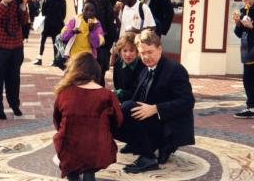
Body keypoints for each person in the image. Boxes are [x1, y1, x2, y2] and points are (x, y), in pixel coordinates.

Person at [114, 29, 195, 173]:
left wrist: (155, 108)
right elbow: (137, 99)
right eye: (142, 53)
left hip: (169, 124)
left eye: (150, 52)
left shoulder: (174, 69)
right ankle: (139, 143)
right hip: (152, 120)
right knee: (113, 117)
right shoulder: (146, 70)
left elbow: (188, 102)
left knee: (127, 107)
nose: (146, 57)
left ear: (159, 49)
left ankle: (149, 156)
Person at [53, 52, 123, 181]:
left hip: (69, 146)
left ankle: (73, 176)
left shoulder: (64, 92)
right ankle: (89, 174)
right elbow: (118, 121)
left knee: (72, 163)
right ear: (96, 71)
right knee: (90, 162)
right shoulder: (107, 95)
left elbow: (57, 121)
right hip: (97, 147)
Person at [94, 0, 118, 86]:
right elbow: (101, 20)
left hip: (105, 41)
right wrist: (105, 37)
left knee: (102, 70)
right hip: (102, 42)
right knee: (100, 70)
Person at [33, 0, 66, 66]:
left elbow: (43, 12)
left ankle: (39, 58)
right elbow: (64, 14)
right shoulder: (62, 0)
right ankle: (56, 60)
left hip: (48, 24)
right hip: (58, 24)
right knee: (55, 42)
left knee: (43, 40)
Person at [113, 33, 145, 103]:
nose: (128, 54)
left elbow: (139, 91)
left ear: (137, 51)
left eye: (131, 50)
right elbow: (117, 84)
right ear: (120, 52)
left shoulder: (143, 66)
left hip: (137, 101)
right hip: (121, 100)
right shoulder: (118, 63)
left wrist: (120, 93)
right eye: (124, 51)